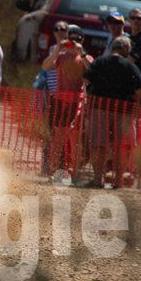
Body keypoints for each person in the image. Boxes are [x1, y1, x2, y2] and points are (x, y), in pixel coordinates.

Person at [82, 36, 141, 188]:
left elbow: (86, 79)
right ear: (125, 48)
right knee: (121, 147)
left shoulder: (99, 61)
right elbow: (140, 87)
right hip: (123, 110)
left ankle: (98, 180)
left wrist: (94, 90)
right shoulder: (129, 66)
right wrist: (134, 98)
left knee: (99, 145)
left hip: (99, 108)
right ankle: (117, 182)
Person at [41, 24, 91, 177]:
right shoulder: (61, 56)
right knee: (58, 136)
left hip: (77, 102)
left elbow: (93, 71)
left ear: (82, 40)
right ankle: (53, 169)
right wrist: (57, 49)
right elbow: (45, 66)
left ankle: (75, 171)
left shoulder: (85, 57)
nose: (74, 42)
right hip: (60, 101)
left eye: (77, 39)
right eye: (71, 39)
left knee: (75, 137)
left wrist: (81, 53)